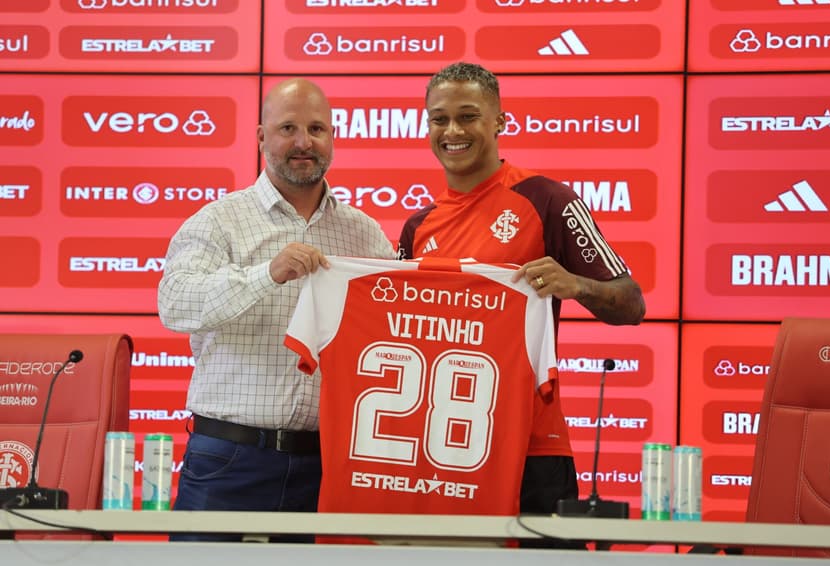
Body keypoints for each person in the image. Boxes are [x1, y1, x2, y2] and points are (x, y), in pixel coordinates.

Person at [398, 62, 646, 546]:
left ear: (499, 123)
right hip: (442, 451)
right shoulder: (417, 227)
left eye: (468, 116)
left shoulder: (547, 199)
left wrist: (577, 284)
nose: (453, 131)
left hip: (533, 447)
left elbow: (631, 303)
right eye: (439, 119)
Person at [157, 78, 396, 542]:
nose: (304, 142)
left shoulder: (364, 234)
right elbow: (175, 303)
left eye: (316, 129)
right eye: (288, 127)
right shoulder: (218, 220)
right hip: (228, 459)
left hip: (326, 465)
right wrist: (268, 272)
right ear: (261, 137)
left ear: (332, 138)